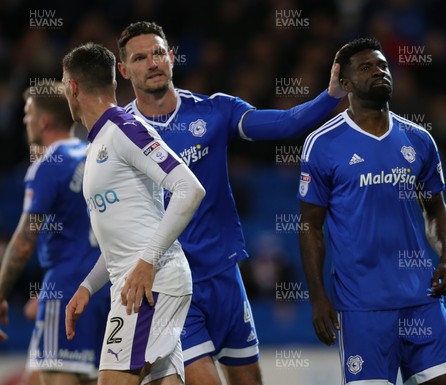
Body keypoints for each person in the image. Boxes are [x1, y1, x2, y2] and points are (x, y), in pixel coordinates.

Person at [116, 21, 346, 385]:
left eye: (158, 53)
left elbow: (284, 124)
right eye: (140, 57)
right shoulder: (119, 134)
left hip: (224, 277)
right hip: (173, 285)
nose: (152, 62)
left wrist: (331, 96)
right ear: (124, 69)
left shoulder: (214, 111)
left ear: (171, 58)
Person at [298, 38, 446, 385]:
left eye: (382, 65)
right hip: (362, 306)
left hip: (422, 296)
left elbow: (437, 209)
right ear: (345, 84)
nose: (378, 71)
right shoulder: (322, 144)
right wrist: (318, 297)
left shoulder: (418, 139)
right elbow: (309, 226)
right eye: (366, 67)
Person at [61, 42, 205, 385]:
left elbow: (190, 189)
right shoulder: (99, 142)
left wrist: (148, 262)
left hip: (147, 285)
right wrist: (87, 286)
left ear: (73, 87)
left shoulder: (125, 129)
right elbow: (121, 239)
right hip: (139, 282)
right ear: (113, 83)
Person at [0, 85, 110, 385]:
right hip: (103, 288)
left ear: (44, 120)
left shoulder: (48, 166)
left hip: (65, 290)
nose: (24, 121)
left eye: (28, 113)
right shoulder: (93, 157)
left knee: (57, 376)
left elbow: (24, 243)